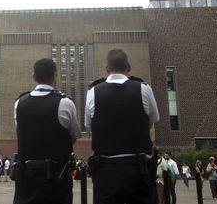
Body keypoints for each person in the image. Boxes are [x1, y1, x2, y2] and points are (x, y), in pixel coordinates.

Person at [85, 49, 159, 204]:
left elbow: (90, 126)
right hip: (139, 170)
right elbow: (151, 121)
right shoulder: (144, 89)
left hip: (106, 172)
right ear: (129, 67)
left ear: (107, 69)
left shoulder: (93, 92)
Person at [14, 58, 82, 204]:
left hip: (26, 183)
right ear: (55, 76)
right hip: (56, 183)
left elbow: (22, 133)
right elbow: (74, 136)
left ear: (33, 76)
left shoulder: (20, 103)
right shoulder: (65, 103)